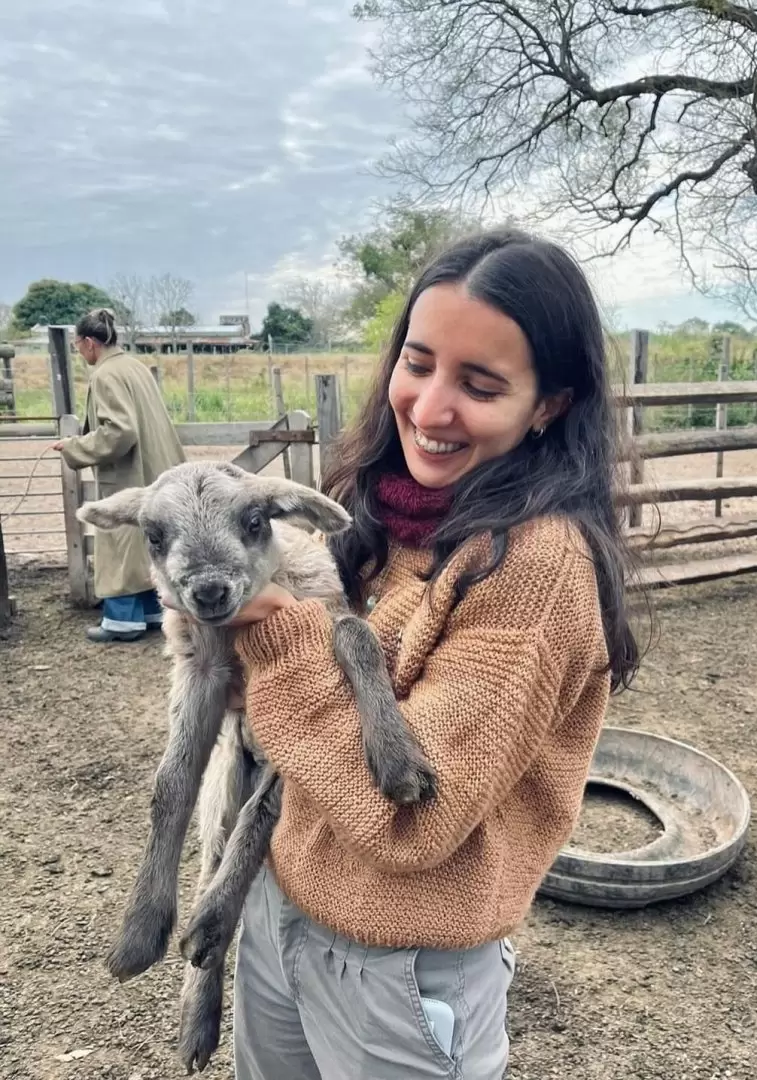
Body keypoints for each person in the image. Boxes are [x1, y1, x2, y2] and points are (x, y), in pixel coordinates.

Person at [222, 228, 641, 1078]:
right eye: (417, 363)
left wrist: (272, 634)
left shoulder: (534, 567)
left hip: (397, 970)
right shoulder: (369, 508)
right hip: (280, 911)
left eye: (479, 385)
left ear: (549, 404)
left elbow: (413, 817)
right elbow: (270, 715)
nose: (428, 406)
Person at [54, 308, 185, 642]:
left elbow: (120, 431)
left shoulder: (105, 374)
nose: (77, 350)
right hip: (157, 468)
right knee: (147, 542)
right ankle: (153, 610)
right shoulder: (135, 367)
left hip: (131, 473)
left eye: (76, 344)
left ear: (89, 342)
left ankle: (121, 621)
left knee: (120, 540)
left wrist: (75, 448)